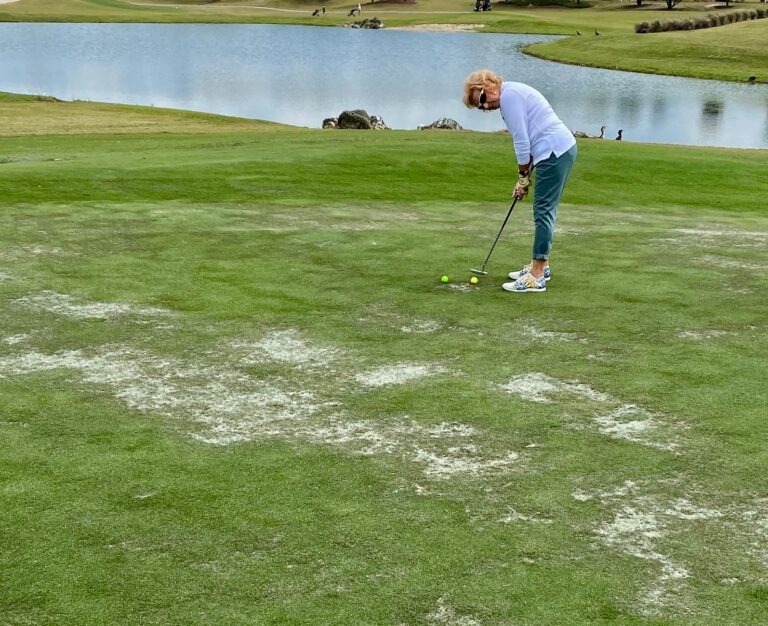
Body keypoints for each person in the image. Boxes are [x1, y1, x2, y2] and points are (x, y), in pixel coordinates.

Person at [463, 69, 577, 293]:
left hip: (554, 151)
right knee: (544, 210)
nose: (485, 107)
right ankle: (541, 267)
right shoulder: (510, 94)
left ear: (490, 85)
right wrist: (523, 178)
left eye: (483, 99)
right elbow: (531, 138)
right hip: (555, 150)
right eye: (480, 106)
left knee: (543, 211)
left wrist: (523, 175)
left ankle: (536, 275)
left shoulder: (509, 97)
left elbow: (522, 142)